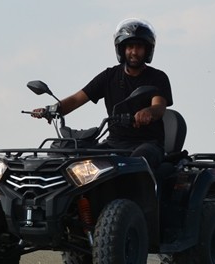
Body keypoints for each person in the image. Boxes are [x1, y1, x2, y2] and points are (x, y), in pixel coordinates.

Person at [31, 19, 172, 170]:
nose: (134, 52)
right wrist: (51, 110)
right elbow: (76, 99)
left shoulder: (157, 77)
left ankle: (140, 193)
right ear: (122, 49)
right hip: (114, 143)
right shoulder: (109, 76)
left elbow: (159, 106)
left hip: (148, 144)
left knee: (138, 162)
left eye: (139, 47)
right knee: (79, 165)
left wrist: (148, 112)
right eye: (130, 47)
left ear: (147, 50)